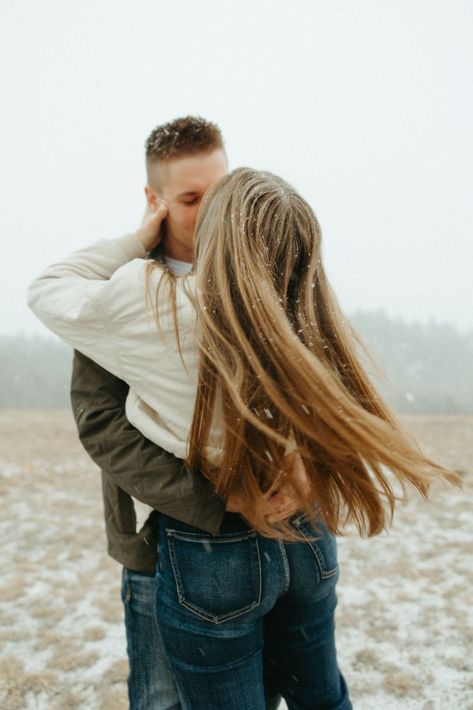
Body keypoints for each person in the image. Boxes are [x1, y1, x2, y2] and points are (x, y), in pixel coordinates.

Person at [28, 167, 458, 709]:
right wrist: (305, 460)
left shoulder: (152, 304)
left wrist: (137, 240)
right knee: (322, 698)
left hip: (213, 549)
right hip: (306, 532)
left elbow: (48, 288)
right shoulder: (306, 312)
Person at [67, 116, 288, 710]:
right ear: (153, 199)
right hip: (159, 543)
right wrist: (212, 504)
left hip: (275, 538)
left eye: (220, 193)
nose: (210, 211)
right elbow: (102, 425)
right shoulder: (119, 288)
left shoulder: (259, 273)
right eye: (192, 199)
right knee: (164, 702)